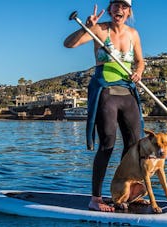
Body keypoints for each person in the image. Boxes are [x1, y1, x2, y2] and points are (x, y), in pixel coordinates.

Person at [64, 0, 145, 212]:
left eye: (123, 6)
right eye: (115, 5)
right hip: (106, 91)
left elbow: (140, 61)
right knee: (107, 143)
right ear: (110, 9)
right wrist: (86, 27)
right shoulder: (98, 30)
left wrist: (139, 72)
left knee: (134, 145)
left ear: (128, 11)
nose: (119, 9)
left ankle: (126, 193)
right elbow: (69, 44)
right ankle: (96, 198)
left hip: (127, 91)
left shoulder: (133, 34)